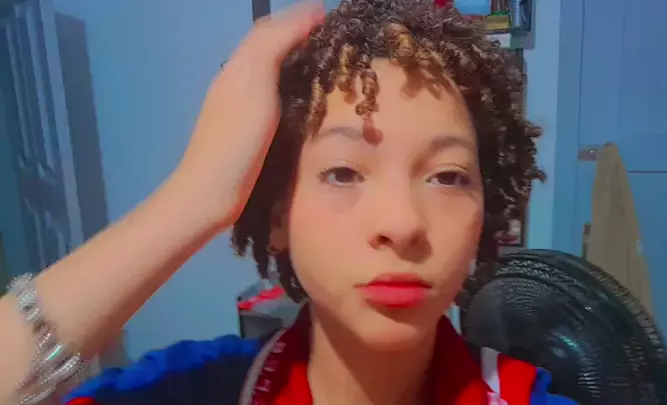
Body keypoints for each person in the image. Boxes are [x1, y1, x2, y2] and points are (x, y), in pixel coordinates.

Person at [0, 1, 578, 404]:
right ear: (278, 214)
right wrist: (192, 198)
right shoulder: (196, 390)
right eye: (344, 172)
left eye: (447, 177)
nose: (402, 223)